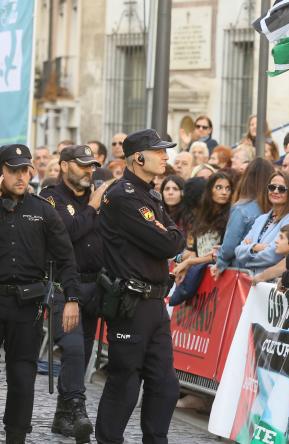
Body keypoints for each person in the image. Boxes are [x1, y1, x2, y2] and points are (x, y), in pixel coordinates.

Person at [95, 129, 186, 443]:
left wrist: (170, 235)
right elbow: (169, 242)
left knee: (165, 384)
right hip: (131, 302)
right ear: (138, 157)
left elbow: (172, 236)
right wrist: (170, 236)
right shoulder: (124, 196)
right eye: (159, 151)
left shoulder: (150, 194)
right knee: (125, 381)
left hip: (154, 302)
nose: (166, 157)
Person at [0, 144, 82, 444]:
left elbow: (66, 258)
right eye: (13, 170)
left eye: (25, 169)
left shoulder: (42, 210)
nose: (21, 176)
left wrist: (72, 298)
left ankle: (16, 436)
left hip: (27, 306)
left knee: (22, 378)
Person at [39, 146, 107, 441]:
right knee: (74, 348)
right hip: (64, 286)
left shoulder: (102, 200)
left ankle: (61, 416)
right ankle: (78, 410)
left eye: (92, 166)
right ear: (65, 166)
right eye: (82, 166)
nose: (89, 171)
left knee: (83, 353)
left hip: (94, 285)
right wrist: (93, 206)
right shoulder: (50, 197)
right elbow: (69, 232)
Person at [236, 171, 289, 279]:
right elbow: (238, 251)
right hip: (251, 281)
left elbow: (273, 255)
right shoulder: (261, 219)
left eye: (281, 189)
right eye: (272, 187)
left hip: (271, 283)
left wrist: (247, 253)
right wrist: (255, 247)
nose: (275, 191)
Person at [213, 158, 273, 276]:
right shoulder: (276, 209)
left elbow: (230, 248)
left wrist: (220, 261)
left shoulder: (242, 209)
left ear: (247, 178)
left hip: (243, 272)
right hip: (267, 270)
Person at [173, 172, 232, 284]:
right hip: (199, 275)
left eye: (228, 188)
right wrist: (180, 263)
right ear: (209, 190)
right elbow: (192, 250)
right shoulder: (199, 217)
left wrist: (188, 262)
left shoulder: (232, 216)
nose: (224, 192)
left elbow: (221, 254)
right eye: (219, 187)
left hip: (220, 276)